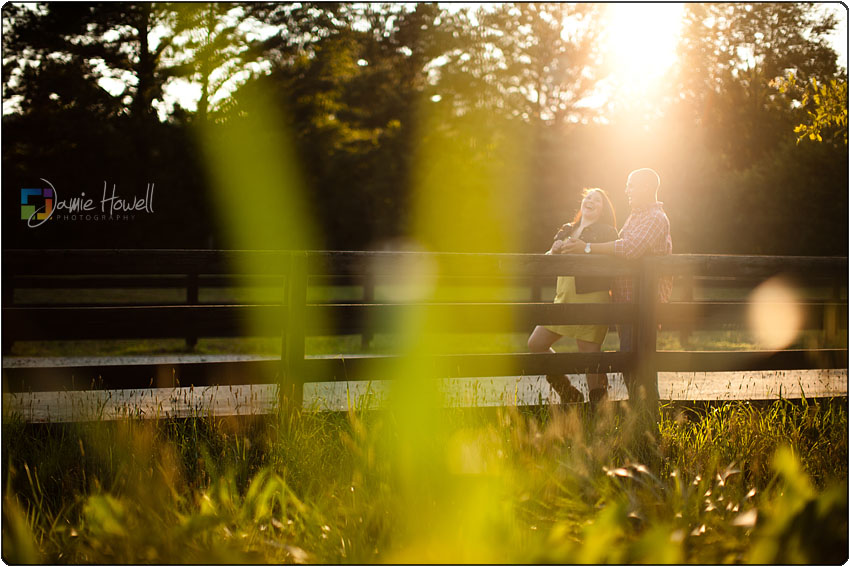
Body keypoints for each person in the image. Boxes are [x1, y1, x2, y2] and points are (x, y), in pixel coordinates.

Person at [562, 168, 672, 401]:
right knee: (629, 360)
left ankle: (647, 417)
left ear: (644, 187)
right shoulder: (636, 216)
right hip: (627, 303)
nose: (627, 190)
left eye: (631, 185)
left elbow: (629, 248)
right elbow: (618, 248)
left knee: (636, 361)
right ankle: (640, 414)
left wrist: (588, 248)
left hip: (643, 305)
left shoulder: (655, 218)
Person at [528, 188, 619, 404]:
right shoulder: (567, 230)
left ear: (603, 209)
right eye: (588, 197)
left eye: (597, 200)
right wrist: (555, 249)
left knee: (589, 359)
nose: (590, 201)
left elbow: (613, 259)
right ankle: (568, 392)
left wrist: (584, 249)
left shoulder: (607, 231)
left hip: (592, 300)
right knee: (536, 343)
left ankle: (599, 413)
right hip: (563, 299)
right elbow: (547, 260)